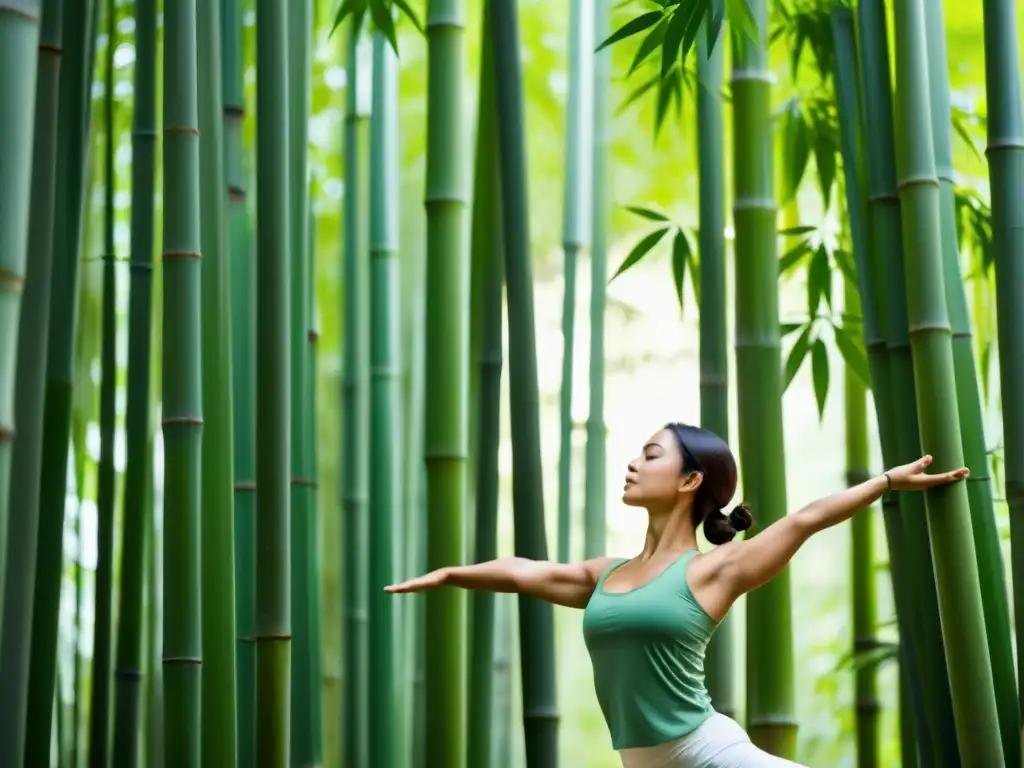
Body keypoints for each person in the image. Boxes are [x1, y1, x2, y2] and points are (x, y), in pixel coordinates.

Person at [385, 422, 968, 767]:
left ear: (691, 481)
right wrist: (451, 574)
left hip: (708, 753)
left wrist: (888, 481)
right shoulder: (603, 576)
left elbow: (805, 519)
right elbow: (522, 571)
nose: (633, 463)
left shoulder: (715, 571)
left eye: (651, 455)